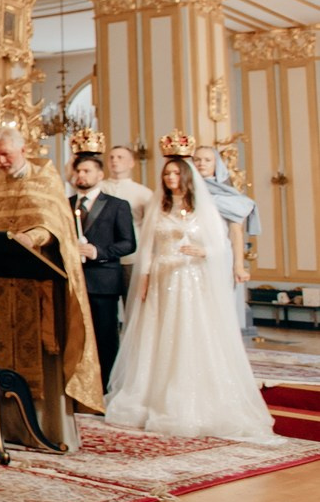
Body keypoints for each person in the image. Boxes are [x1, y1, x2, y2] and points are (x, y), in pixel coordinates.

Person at [104, 151, 277, 442]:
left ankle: (191, 398)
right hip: (162, 279)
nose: (171, 179)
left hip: (191, 281)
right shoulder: (159, 207)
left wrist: (205, 251)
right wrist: (144, 279)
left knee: (190, 334)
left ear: (186, 177)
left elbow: (221, 245)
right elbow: (147, 248)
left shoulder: (204, 208)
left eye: (175, 174)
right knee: (158, 337)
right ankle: (151, 397)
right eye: (167, 174)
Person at [0, 126, 101, 451]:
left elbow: (52, 223)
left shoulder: (45, 179)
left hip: (37, 290)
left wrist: (31, 238)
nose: (1, 161)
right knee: (1, 354)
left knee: (41, 358)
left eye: (6, 154)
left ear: (23, 150)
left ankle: (48, 428)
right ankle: (6, 429)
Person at [69, 153, 136, 389]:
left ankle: (106, 386)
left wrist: (97, 252)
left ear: (100, 175)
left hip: (103, 281)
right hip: (72, 282)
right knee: (74, 337)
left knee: (105, 337)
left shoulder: (117, 206)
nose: (81, 175)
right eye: (78, 171)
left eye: (87, 171)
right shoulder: (66, 205)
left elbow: (128, 243)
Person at [193, 145, 259, 332]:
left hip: (218, 253)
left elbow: (235, 231)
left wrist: (238, 265)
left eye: (207, 160)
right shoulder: (184, 188)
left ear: (217, 164)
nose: (201, 164)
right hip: (190, 251)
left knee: (217, 305)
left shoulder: (228, 194)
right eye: (197, 159)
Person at [102, 144, 153, 302]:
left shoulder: (143, 193)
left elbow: (149, 226)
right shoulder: (99, 187)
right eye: (111, 157)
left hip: (132, 256)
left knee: (132, 301)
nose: (114, 161)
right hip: (103, 255)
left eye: (120, 157)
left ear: (131, 163)